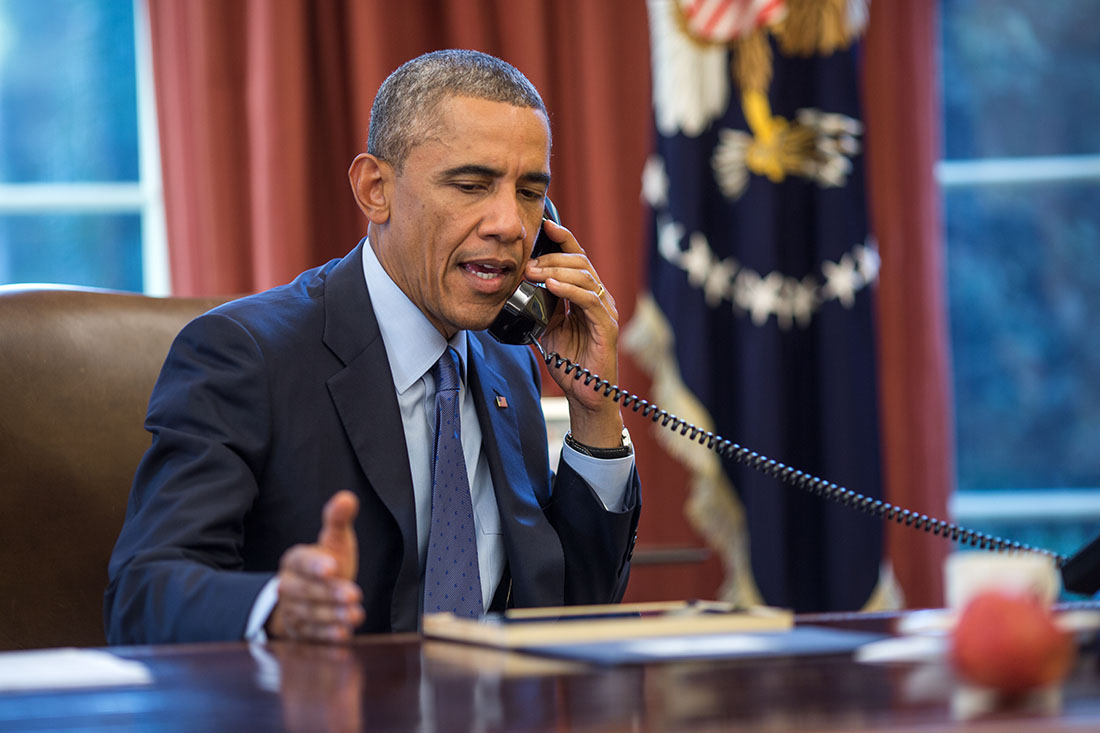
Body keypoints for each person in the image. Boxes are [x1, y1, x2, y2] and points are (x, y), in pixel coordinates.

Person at [104, 49, 641, 644]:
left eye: (529, 193)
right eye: (471, 185)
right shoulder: (244, 355)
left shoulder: (506, 357)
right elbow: (142, 594)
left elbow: (569, 613)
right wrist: (279, 606)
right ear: (374, 189)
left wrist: (597, 412)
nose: (510, 225)